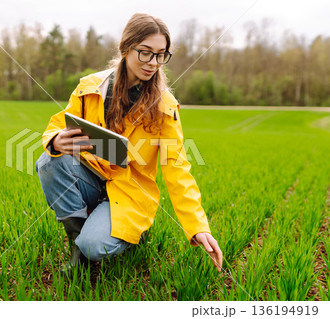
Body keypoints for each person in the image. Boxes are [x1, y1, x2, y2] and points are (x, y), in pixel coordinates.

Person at [35, 13, 223, 272]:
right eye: (145, 53)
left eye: (161, 54)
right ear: (126, 48)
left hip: (130, 192)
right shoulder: (90, 87)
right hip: (91, 179)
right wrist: (56, 141)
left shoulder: (165, 107)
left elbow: (177, 168)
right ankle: (78, 250)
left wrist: (198, 227)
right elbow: (59, 123)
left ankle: (124, 234)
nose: (153, 62)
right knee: (48, 160)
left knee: (95, 246)